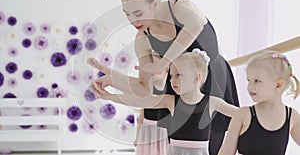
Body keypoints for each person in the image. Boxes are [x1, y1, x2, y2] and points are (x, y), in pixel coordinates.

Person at [88, 0, 239, 154]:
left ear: (153, 3)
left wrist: (163, 63)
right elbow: (143, 88)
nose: (133, 21)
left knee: (216, 146)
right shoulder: (143, 39)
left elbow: (197, 24)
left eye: (138, 13)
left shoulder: (180, 8)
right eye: (127, 14)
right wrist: (113, 80)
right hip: (179, 94)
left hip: (214, 83)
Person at [90, 50, 238, 155]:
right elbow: (140, 100)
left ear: (197, 77)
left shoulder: (212, 103)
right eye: (172, 75)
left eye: (178, 75)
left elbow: (242, 114)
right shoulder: (171, 101)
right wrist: (110, 97)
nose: (172, 80)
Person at [218, 50, 300, 155]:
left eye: (257, 81)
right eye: (249, 81)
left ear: (278, 85)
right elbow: (226, 152)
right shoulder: (243, 114)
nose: (250, 87)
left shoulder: (292, 116)